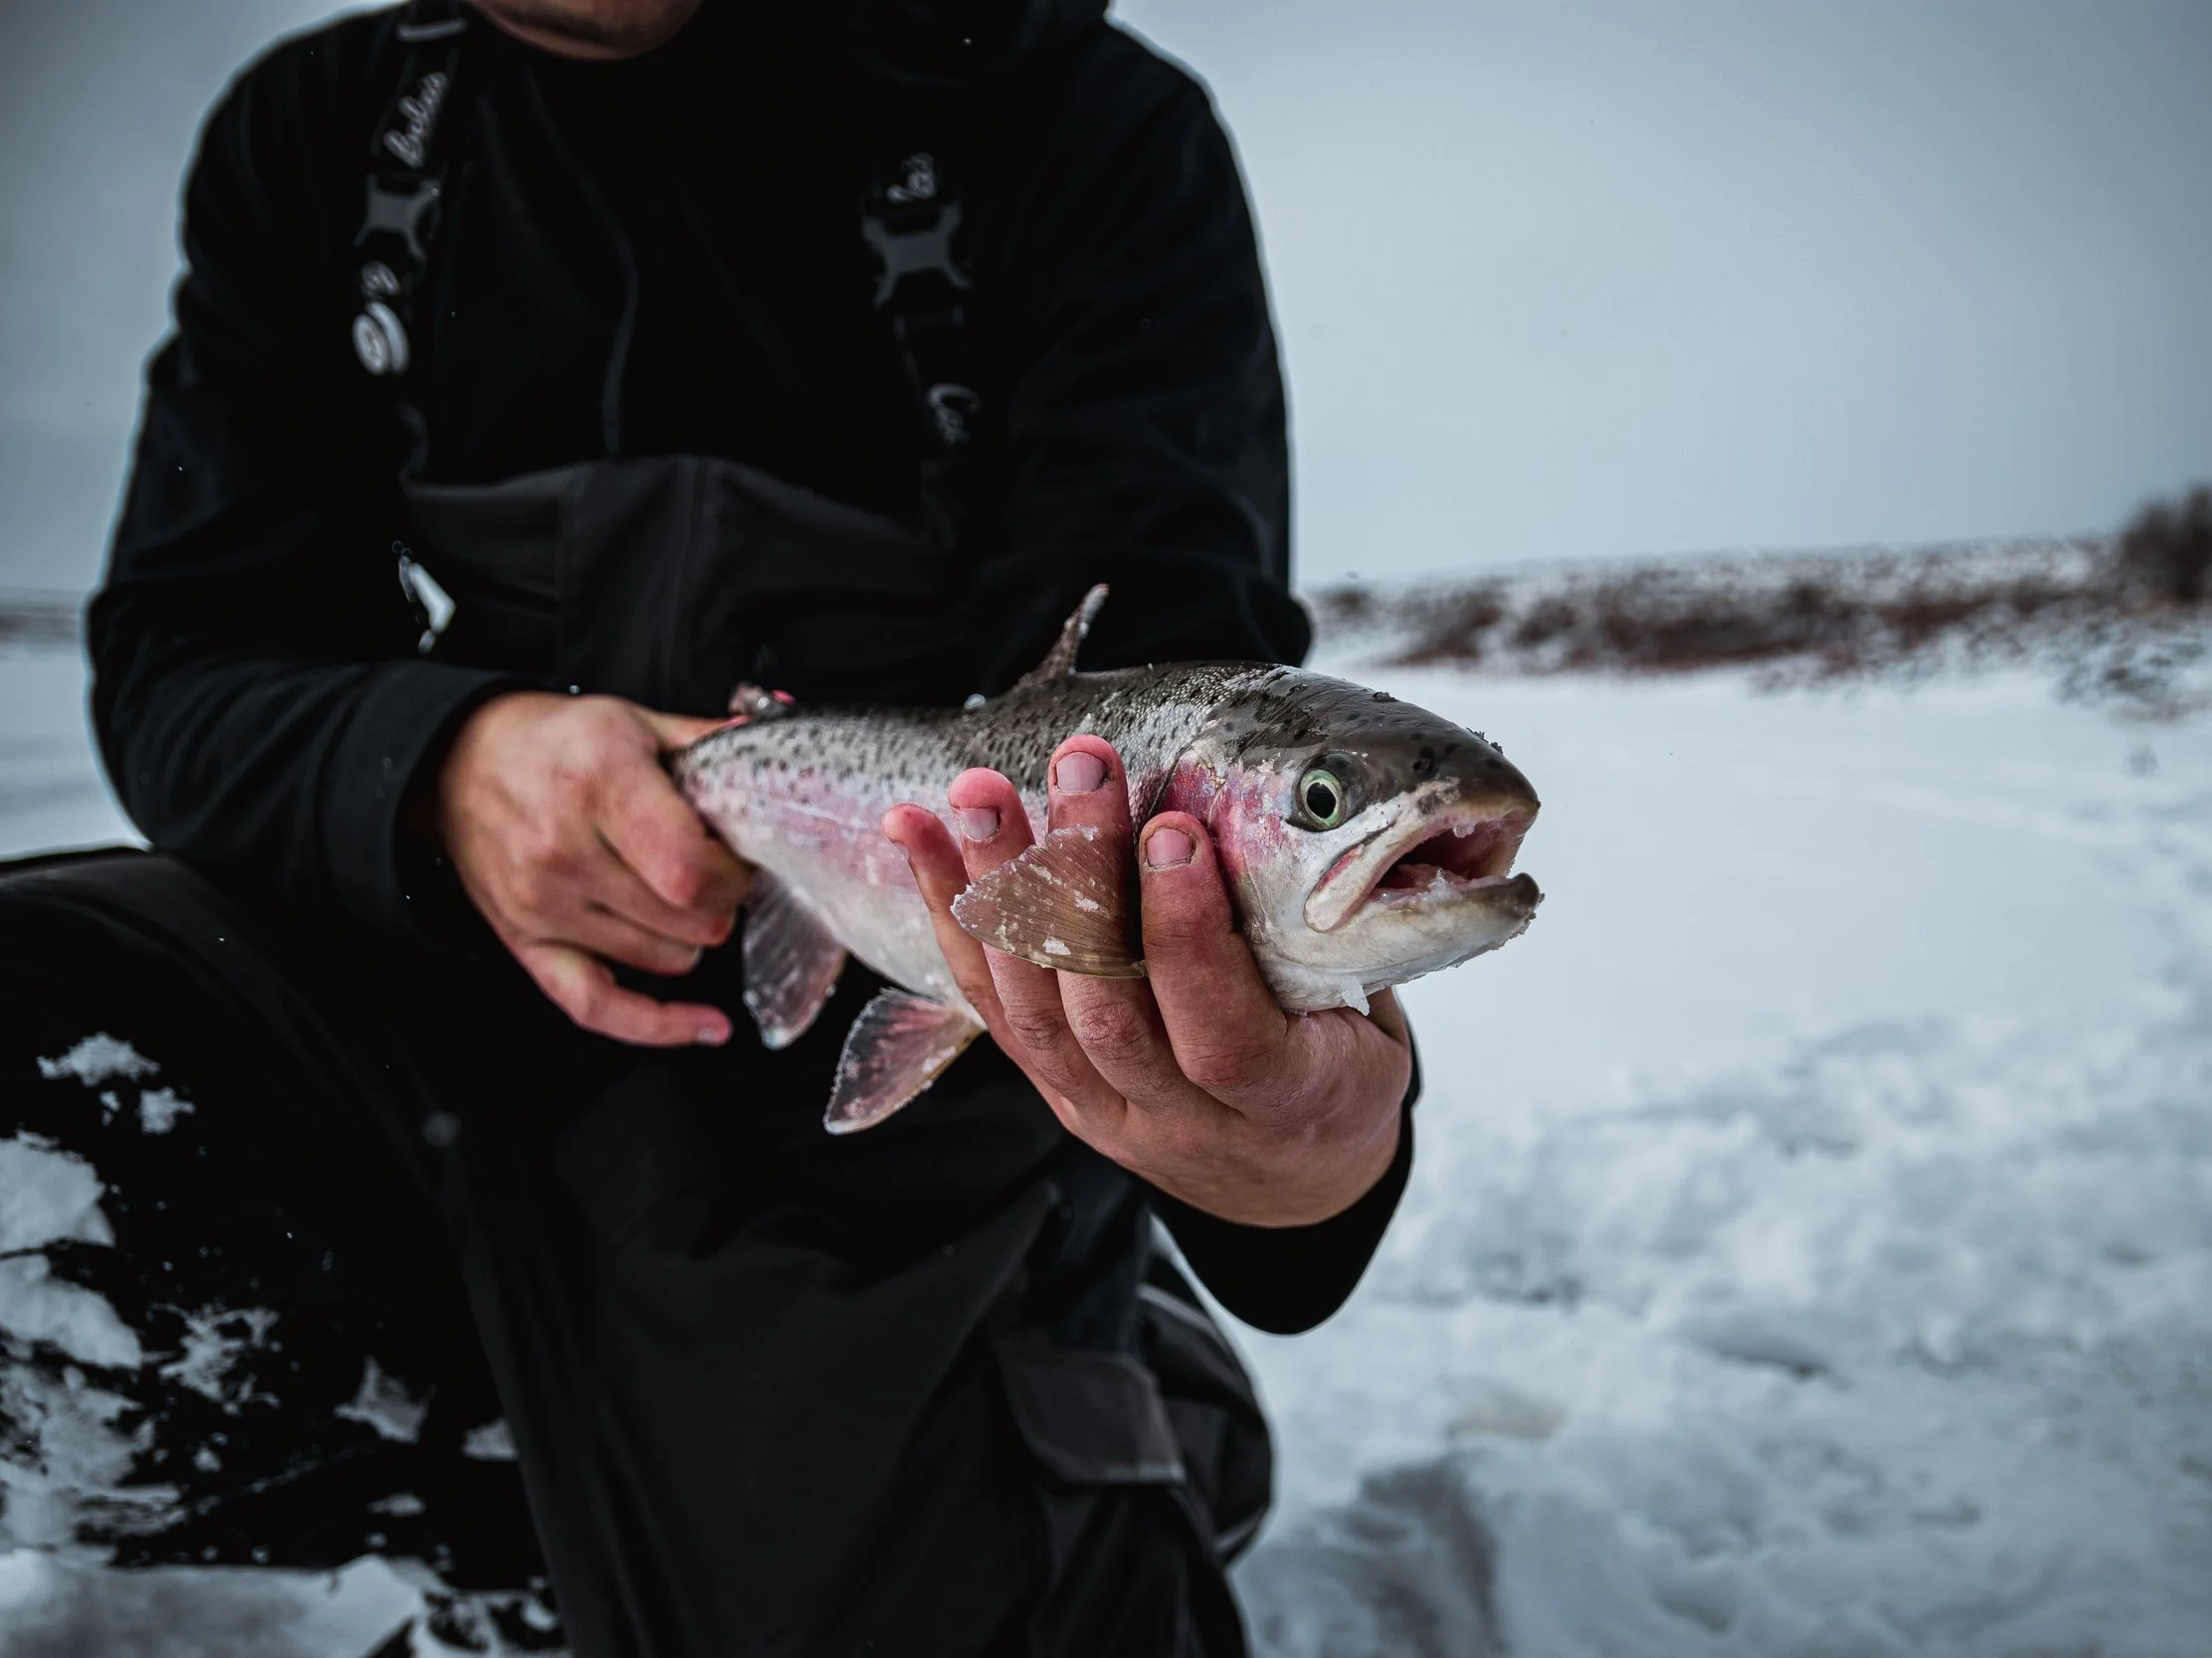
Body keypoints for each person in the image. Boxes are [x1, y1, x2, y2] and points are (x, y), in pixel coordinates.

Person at [0, 0, 1418, 1651]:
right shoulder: (321, 137)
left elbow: (1178, 698)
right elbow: (187, 655)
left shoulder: (1078, 121)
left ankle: (1081, 1384)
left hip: (893, 1141)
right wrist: (439, 765)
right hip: (412, 1011)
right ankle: (501, 1490)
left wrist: (1296, 1160)